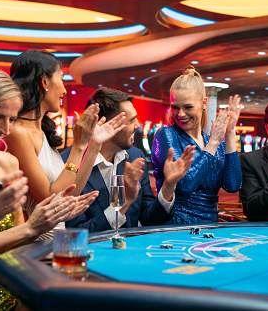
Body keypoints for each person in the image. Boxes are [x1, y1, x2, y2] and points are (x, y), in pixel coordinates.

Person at [0, 66, 91, 310]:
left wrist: (46, 220)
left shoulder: (9, 162)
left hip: (9, 283)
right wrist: (32, 227)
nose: (5, 129)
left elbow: (16, 241)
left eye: (12, 119)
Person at [6, 50, 124, 232]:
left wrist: (94, 145)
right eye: (61, 79)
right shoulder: (18, 132)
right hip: (34, 243)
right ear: (44, 82)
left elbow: (71, 191)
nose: (64, 89)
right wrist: (78, 146)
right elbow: (51, 198)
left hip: (56, 238)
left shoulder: (42, 133)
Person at [63, 88, 194, 231]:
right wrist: (123, 203)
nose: (138, 126)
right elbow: (76, 232)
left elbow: (149, 219)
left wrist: (168, 186)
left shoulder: (135, 156)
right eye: (132, 120)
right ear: (106, 124)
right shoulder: (68, 165)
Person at [151, 68, 242, 224]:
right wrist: (213, 143)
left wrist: (229, 133)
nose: (180, 114)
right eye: (175, 107)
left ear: (204, 103)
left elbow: (233, 185)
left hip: (210, 228)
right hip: (177, 228)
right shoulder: (165, 135)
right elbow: (184, 186)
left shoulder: (211, 140)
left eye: (188, 107)